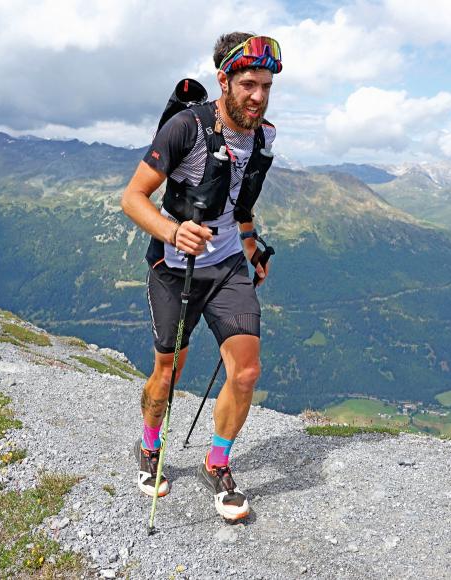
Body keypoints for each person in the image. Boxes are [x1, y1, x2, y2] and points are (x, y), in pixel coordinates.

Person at [120, 32, 281, 521]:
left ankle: (218, 462)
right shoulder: (185, 129)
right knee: (168, 372)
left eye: (267, 86)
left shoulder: (264, 136)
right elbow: (132, 198)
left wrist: (251, 247)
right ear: (224, 80)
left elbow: (242, 203)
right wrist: (173, 231)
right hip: (175, 268)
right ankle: (150, 446)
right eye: (249, 83)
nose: (258, 95)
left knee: (247, 371)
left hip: (228, 264)